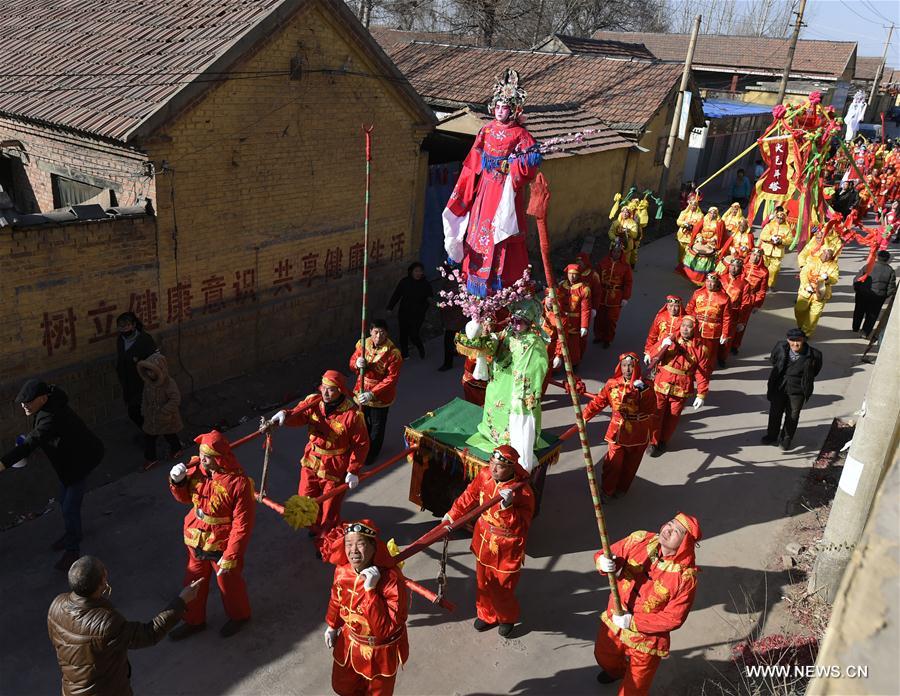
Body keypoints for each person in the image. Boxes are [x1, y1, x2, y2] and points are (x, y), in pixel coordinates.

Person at [442, 69, 540, 297]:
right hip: (485, 191)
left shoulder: (520, 135)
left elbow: (531, 162)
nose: (500, 111)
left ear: (513, 110)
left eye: (504, 107)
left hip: (505, 192)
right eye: (497, 106)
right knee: (478, 229)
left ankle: (501, 279)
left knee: (501, 230)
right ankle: (474, 274)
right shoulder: (485, 130)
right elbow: (472, 163)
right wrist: (464, 191)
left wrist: (512, 165)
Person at [48, 556, 203, 696]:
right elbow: (149, 634)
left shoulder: (57, 604)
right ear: (102, 583)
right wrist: (181, 601)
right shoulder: (105, 623)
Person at [1, 380, 105, 570]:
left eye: (28, 402)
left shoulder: (51, 416)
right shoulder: (49, 404)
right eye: (23, 402)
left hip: (79, 462)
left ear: (42, 398)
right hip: (71, 461)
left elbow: (32, 442)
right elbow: (42, 436)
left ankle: (72, 550)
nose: (24, 406)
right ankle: (73, 534)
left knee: (69, 507)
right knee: (64, 501)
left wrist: (2, 463)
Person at [593, 513, 701, 695]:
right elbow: (610, 553)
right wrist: (605, 562)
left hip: (646, 639)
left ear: (685, 543)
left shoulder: (685, 578)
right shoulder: (640, 539)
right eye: (670, 524)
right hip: (615, 617)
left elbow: (673, 618)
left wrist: (633, 622)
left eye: (677, 531)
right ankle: (617, 671)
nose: (668, 530)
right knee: (604, 657)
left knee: (634, 688)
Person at [167, 430, 255, 639]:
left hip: (221, 544)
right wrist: (177, 482)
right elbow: (185, 498)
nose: (202, 459)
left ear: (219, 458)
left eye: (207, 456)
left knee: (229, 584)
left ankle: (240, 617)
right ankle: (193, 620)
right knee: (192, 582)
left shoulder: (239, 483)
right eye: (201, 453)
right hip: (195, 536)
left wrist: (231, 556)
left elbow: (242, 525)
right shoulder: (196, 468)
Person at [443, 445, 535, 638]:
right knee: (482, 582)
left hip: (506, 546)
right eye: (492, 463)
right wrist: (452, 515)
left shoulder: (523, 492)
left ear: (510, 468)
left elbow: (521, 525)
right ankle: (486, 614)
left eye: (499, 466)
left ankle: (506, 617)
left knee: (502, 587)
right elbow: (470, 495)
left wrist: (507, 507)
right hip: (483, 538)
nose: (493, 468)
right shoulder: (485, 475)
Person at [266, 371, 370, 538]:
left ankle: (326, 537)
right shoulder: (313, 402)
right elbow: (299, 415)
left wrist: (353, 470)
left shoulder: (352, 415)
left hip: (335, 465)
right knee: (305, 499)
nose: (325, 393)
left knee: (330, 506)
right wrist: (285, 415)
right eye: (323, 387)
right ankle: (314, 527)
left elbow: (361, 444)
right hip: (312, 459)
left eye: (330, 389)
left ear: (340, 390)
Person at [324, 520, 410, 696]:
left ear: (374, 547)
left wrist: (371, 590)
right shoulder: (343, 571)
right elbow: (336, 599)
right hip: (349, 644)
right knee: (343, 687)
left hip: (380, 653)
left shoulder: (392, 580)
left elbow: (385, 630)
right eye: (349, 544)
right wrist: (332, 625)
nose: (353, 550)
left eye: (360, 544)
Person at [581, 353, 656, 498]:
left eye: (631, 366)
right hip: (617, 431)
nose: (627, 369)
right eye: (624, 365)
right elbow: (599, 402)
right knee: (612, 464)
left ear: (636, 367)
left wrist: (644, 391)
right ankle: (607, 490)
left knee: (631, 465)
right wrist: (584, 417)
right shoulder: (612, 384)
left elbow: (651, 409)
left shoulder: (646, 385)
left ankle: (622, 488)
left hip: (638, 431)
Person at [646, 317, 710, 456]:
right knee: (656, 414)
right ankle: (653, 442)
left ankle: (663, 441)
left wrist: (701, 394)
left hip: (681, 387)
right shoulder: (669, 339)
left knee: (673, 417)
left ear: (695, 329)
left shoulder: (701, 349)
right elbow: (652, 354)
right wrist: (661, 345)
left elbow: (702, 374)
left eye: (689, 327)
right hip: (662, 383)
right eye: (683, 326)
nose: (685, 329)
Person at [350, 320, 403, 465]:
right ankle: (361, 446)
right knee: (360, 421)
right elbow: (352, 361)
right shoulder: (363, 344)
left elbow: (391, 379)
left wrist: (372, 393)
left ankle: (372, 453)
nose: (379, 336)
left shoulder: (393, 354)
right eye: (376, 332)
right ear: (370, 332)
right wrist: (357, 364)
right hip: (361, 390)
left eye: (382, 333)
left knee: (377, 427)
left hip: (380, 396)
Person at [763, 328, 823, 451]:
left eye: (798, 341)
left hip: (798, 391)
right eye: (792, 340)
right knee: (775, 412)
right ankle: (771, 435)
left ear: (804, 340)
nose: (795, 344)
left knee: (793, 415)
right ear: (787, 340)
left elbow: (814, 372)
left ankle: (786, 438)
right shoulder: (780, 347)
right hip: (779, 386)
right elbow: (773, 360)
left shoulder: (815, 355)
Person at [136, 352, 183, 470]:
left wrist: (165, 410)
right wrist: (144, 410)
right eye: (148, 371)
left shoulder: (168, 383)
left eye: (152, 371)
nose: (149, 374)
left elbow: (175, 399)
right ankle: (151, 458)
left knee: (169, 434)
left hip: (166, 417)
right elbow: (145, 398)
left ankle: (177, 449)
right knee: (149, 437)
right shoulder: (148, 384)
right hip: (152, 417)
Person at [115, 312, 157, 431]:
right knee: (135, 411)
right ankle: (149, 432)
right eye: (121, 326)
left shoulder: (144, 340)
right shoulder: (121, 340)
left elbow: (155, 360)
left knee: (138, 412)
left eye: (127, 326)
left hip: (143, 383)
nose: (124, 329)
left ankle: (151, 433)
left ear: (133, 325)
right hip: (129, 384)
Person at [686, 273, 734, 372]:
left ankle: (707, 371)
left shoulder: (724, 298)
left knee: (710, 352)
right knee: (693, 349)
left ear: (717, 283)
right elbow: (690, 308)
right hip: (696, 327)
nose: (709, 284)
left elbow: (727, 317)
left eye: (712, 282)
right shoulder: (698, 293)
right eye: (708, 281)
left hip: (713, 330)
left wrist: (725, 334)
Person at [387, 262, 432, 359]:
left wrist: (425, 308)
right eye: (416, 271)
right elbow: (396, 295)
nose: (418, 273)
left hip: (418, 314)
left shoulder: (425, 284)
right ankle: (405, 353)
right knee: (403, 333)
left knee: (414, 334)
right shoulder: (405, 282)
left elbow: (429, 298)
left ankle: (420, 347)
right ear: (411, 272)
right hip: (404, 312)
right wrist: (390, 307)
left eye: (420, 271)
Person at [593, 242, 632, 348]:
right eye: (614, 251)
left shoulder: (625, 267)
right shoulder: (602, 263)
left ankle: (608, 338)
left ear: (621, 253)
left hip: (616, 297)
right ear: (611, 252)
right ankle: (598, 335)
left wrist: (625, 297)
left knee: (611, 319)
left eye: (618, 252)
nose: (616, 254)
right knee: (599, 318)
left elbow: (628, 283)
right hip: (602, 295)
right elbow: (595, 278)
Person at [794, 248, 839, 337]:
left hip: (821, 294)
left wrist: (828, 278)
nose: (826, 256)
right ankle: (801, 327)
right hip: (806, 291)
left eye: (829, 255)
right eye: (825, 254)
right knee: (799, 310)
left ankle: (806, 333)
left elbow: (835, 280)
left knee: (814, 315)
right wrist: (807, 285)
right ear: (822, 252)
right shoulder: (812, 260)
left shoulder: (834, 266)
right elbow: (803, 273)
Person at [734, 248, 770, 354]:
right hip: (734, 296)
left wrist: (757, 304)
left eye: (758, 256)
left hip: (749, 300)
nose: (755, 257)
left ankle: (735, 345)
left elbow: (762, 290)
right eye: (753, 255)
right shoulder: (742, 265)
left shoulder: (763, 272)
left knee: (741, 323)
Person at [853, 250, 896, 337]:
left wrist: (858, 290)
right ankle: (865, 332)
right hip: (878, 297)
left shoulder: (869, 266)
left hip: (863, 293)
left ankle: (855, 327)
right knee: (872, 315)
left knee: (859, 311)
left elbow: (857, 279)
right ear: (888, 259)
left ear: (877, 257)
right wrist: (884, 295)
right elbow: (891, 287)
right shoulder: (890, 271)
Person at [719, 259, 752, 367]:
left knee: (727, 338)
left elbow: (745, 303)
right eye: (732, 265)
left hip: (733, 313)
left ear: (741, 268)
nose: (733, 268)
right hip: (717, 311)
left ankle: (722, 358)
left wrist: (741, 321)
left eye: (736, 266)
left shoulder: (744, 284)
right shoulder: (721, 278)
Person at [557, 264, 591, 368]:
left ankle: (574, 364)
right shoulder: (562, 286)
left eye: (575, 274)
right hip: (561, 319)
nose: (572, 276)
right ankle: (557, 362)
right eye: (570, 274)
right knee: (559, 341)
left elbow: (585, 309)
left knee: (573, 345)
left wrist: (584, 326)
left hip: (575, 322)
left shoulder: (584, 289)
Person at [683, 206, 725, 286]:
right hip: (701, 241)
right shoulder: (704, 220)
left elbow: (720, 235)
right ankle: (692, 275)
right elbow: (697, 230)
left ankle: (704, 278)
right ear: (708, 213)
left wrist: (713, 239)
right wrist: (699, 237)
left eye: (714, 213)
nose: (712, 215)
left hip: (712, 243)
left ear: (717, 214)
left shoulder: (720, 223)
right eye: (711, 213)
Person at [439, 263, 466, 371]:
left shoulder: (450, 285)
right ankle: (455, 352)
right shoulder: (455, 282)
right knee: (454, 336)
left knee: (448, 340)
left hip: (453, 317)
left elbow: (449, 303)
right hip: (456, 316)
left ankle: (448, 363)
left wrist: (438, 305)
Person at [758, 206, 793, 287]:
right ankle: (760, 284)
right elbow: (762, 235)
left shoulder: (787, 229)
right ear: (776, 217)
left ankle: (770, 285)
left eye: (781, 218)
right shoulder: (769, 225)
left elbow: (790, 240)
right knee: (762, 269)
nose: (779, 219)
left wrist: (781, 241)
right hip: (766, 251)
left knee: (774, 270)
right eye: (778, 217)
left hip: (777, 253)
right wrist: (770, 238)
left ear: (784, 219)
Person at [643, 295, 684, 365]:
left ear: (680, 307)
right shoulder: (660, 317)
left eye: (676, 306)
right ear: (667, 306)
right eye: (671, 306)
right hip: (659, 349)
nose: (673, 309)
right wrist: (648, 351)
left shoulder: (684, 319)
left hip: (676, 354)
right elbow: (652, 336)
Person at [675, 195, 703, 269]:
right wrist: (685, 224)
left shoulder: (700, 215)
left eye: (695, 205)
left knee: (689, 253)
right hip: (682, 236)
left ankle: (686, 267)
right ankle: (680, 265)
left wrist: (693, 226)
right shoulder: (684, 213)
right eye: (692, 205)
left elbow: (700, 226)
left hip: (692, 237)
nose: (693, 207)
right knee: (681, 252)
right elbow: (678, 222)